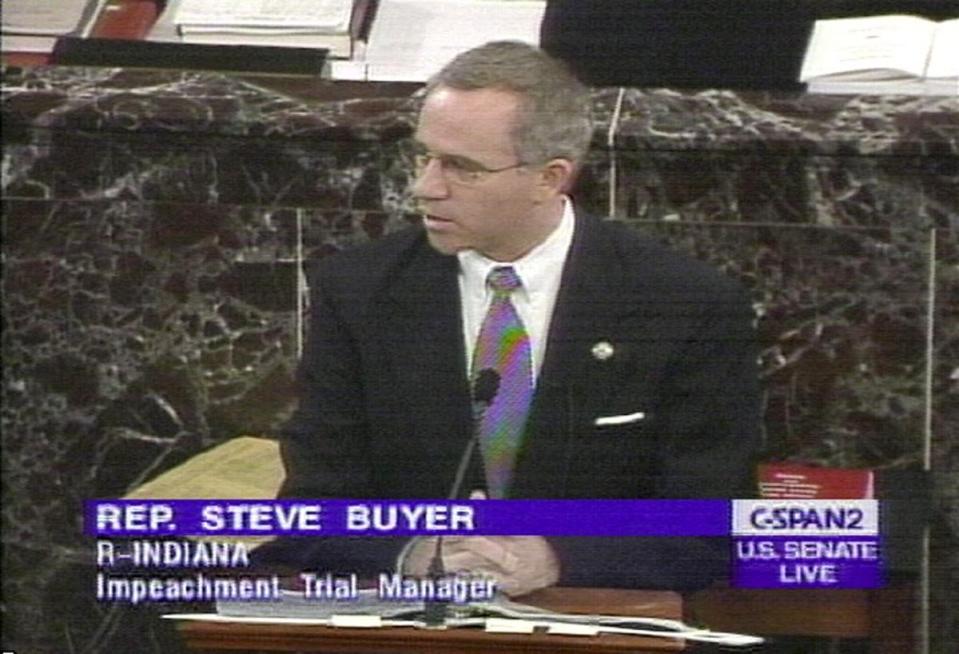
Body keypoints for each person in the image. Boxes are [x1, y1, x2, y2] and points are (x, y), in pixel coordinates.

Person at [253, 41, 761, 596]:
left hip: (585, 617)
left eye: (462, 168)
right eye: (423, 156)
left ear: (550, 177)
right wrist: (407, 552)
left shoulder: (683, 304)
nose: (425, 187)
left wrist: (556, 558)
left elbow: (709, 524)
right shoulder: (359, 291)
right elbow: (314, 510)